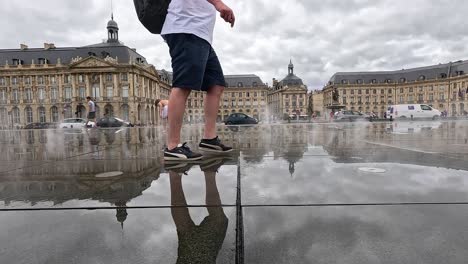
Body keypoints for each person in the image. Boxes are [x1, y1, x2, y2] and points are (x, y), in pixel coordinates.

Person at [161, 0, 235, 161]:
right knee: (183, 84)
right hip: (186, 27)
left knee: (216, 84)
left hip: (201, 34)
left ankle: (209, 139)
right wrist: (218, 4)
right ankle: (172, 146)